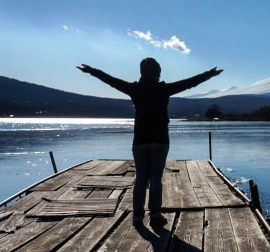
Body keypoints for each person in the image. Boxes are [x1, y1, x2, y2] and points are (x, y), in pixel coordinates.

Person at [77, 58, 223, 227]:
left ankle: (137, 216)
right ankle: (155, 215)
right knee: (155, 178)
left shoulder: (134, 89)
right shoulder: (163, 89)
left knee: (141, 178)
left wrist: (92, 71)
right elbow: (189, 83)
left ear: (141, 72)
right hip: (160, 139)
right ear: (157, 72)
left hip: (140, 140)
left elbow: (111, 80)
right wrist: (209, 74)